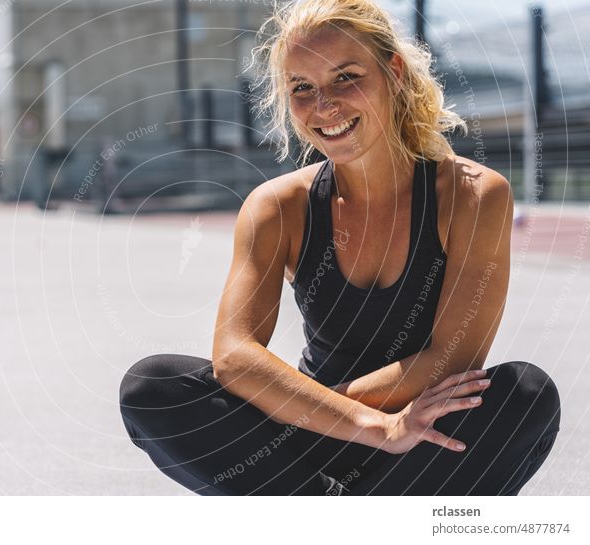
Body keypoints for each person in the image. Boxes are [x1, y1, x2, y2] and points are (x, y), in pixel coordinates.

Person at [118, 0, 561, 495]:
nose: (324, 105)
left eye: (346, 77)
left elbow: (451, 358)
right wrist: (361, 424)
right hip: (307, 439)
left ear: (393, 72)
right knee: (153, 387)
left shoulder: (473, 194)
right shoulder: (277, 207)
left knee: (525, 393)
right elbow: (235, 355)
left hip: (410, 431)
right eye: (302, 88)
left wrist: (319, 408)